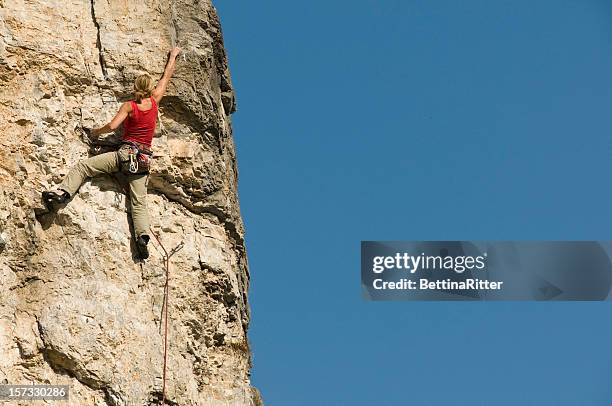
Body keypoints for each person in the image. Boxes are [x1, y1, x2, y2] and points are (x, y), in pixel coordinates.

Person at [42, 47, 182, 260]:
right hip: (143, 161)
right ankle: (142, 237)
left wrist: (95, 132)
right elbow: (167, 76)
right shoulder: (154, 102)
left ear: (135, 88)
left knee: (84, 167)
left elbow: (112, 125)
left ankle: (63, 194)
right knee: (139, 201)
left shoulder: (130, 106)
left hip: (123, 156)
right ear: (151, 88)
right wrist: (173, 56)